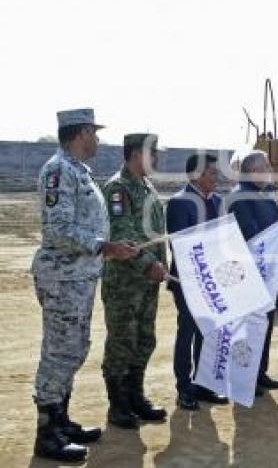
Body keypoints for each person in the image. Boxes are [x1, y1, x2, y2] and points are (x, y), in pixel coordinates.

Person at [30, 109, 138, 461]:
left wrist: (106, 249)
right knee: (59, 351)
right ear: (81, 133)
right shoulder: (59, 171)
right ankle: (46, 433)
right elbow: (57, 229)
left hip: (80, 275)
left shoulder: (78, 171)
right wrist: (104, 246)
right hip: (63, 277)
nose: (98, 140)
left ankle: (61, 420)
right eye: (94, 132)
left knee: (75, 347)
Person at [101, 133, 169, 428]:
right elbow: (121, 233)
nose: (157, 159)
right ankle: (118, 405)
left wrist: (161, 266)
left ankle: (135, 396)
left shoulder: (147, 186)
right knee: (122, 341)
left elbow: (156, 235)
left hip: (147, 282)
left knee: (144, 339)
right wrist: (148, 265)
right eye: (153, 154)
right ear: (135, 154)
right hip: (124, 283)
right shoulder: (118, 187)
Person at [165, 154, 229, 410]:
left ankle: (203, 384)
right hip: (188, 281)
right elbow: (178, 244)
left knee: (208, 333)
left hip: (213, 281)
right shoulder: (179, 203)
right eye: (212, 173)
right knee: (187, 332)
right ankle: (184, 388)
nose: (217, 178)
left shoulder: (219, 201)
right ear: (196, 175)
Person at [225, 150, 278, 394]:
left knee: (264, 324)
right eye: (266, 166)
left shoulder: (264, 195)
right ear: (253, 170)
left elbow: (273, 228)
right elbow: (250, 233)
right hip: (247, 275)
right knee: (247, 328)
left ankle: (259, 372)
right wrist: (272, 241)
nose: (270, 170)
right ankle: (242, 377)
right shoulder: (240, 197)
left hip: (266, 273)